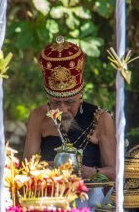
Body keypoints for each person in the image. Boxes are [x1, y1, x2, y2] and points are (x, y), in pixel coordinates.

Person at [23, 36, 116, 180]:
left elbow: (115, 171)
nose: (63, 110)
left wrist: (92, 173)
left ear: (81, 95)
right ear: (48, 97)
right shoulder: (38, 116)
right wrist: (49, 168)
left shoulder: (101, 118)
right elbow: (26, 167)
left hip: (91, 198)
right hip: (50, 195)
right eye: (55, 103)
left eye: (69, 102)